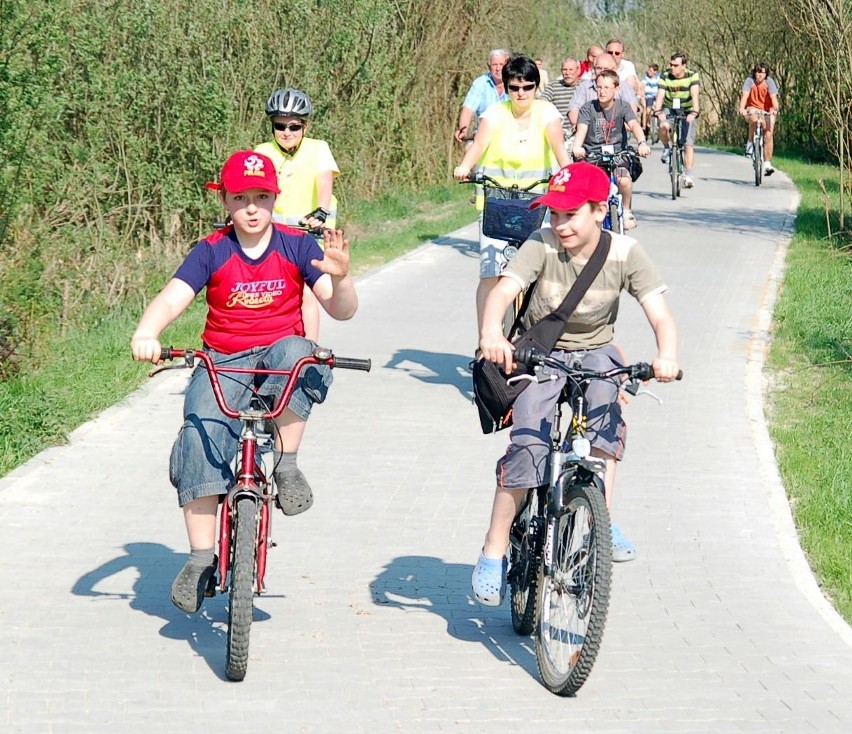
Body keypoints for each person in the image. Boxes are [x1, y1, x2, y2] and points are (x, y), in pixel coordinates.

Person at [130, 150, 358, 614]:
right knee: (198, 436)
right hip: (224, 360)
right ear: (226, 202)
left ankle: (288, 465)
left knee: (303, 353)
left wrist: (343, 278)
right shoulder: (212, 249)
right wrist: (147, 332)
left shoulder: (297, 245)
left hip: (278, 356)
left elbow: (341, 310)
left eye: (261, 197)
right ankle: (199, 560)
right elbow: (174, 296)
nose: (251, 208)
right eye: (240, 198)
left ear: (275, 198)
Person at [471, 161, 680, 604]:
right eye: (554, 213)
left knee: (606, 422)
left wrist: (667, 357)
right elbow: (504, 291)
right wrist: (491, 333)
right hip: (540, 352)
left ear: (599, 211)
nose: (559, 223)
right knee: (528, 445)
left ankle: (600, 517)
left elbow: (660, 314)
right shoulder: (540, 244)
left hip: (597, 350)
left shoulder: (626, 252)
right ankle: (493, 549)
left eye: (571, 214)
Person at [453, 55, 570, 330]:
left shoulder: (547, 113)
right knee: (490, 274)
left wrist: (570, 175)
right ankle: (486, 338)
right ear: (505, 87)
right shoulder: (494, 113)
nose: (521, 93)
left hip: (537, 203)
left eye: (527, 87)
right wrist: (465, 166)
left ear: (535, 87)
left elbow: (559, 148)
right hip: (497, 203)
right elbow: (480, 143)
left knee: (543, 271)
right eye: (514, 87)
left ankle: (539, 333)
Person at [255, 88, 340, 341]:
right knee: (266, 292)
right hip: (273, 236)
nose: (287, 133)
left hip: (309, 234)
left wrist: (322, 210)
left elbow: (324, 179)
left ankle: (310, 349)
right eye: (280, 126)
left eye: (294, 126)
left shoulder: (318, 149)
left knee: (306, 293)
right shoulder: (261, 151)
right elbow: (252, 187)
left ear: (305, 126)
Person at [573, 70, 651, 230]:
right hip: (593, 153)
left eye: (607, 87)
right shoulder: (588, 108)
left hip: (617, 153)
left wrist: (642, 142)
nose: (602, 91)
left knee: (624, 179)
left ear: (616, 89)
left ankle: (627, 210)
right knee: (588, 187)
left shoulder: (623, 106)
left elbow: (634, 125)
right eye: (599, 87)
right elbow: (582, 128)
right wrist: (577, 146)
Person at [654, 51, 701, 188]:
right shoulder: (665, 75)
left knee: (688, 143)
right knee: (663, 126)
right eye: (671, 64)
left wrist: (695, 111)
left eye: (676, 65)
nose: (672, 67)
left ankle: (688, 175)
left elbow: (695, 94)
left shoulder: (692, 75)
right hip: (670, 107)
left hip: (687, 109)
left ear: (683, 66)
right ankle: (667, 148)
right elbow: (660, 95)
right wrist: (658, 111)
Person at [454, 49, 511, 147]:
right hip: (484, 134)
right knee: (469, 149)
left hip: (511, 134)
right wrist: (463, 129)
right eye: (494, 65)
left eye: (501, 64)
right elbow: (468, 109)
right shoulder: (480, 83)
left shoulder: (516, 82)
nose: (498, 68)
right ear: (489, 67)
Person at [568, 52, 639, 130]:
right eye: (599, 68)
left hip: (617, 136)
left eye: (606, 68)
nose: (602, 71)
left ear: (615, 70)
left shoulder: (624, 87)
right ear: (594, 69)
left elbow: (632, 116)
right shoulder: (584, 87)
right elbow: (574, 113)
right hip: (589, 135)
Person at [738, 61, 780, 176]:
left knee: (768, 133)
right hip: (753, 108)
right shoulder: (749, 81)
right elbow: (745, 95)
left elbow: (773, 98)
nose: (759, 75)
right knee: (753, 119)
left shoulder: (769, 82)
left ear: (766, 74)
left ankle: (767, 163)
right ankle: (750, 144)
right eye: (757, 72)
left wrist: (775, 109)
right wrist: (742, 108)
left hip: (767, 109)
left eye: (762, 73)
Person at [540, 56, 581, 158]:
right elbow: (541, 103)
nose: (567, 73)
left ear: (578, 70)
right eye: (564, 70)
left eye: (571, 69)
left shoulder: (585, 86)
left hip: (580, 133)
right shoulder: (553, 86)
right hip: (558, 133)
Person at [640, 64, 661, 133]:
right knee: (648, 110)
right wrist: (642, 95)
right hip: (649, 96)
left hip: (658, 96)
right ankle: (647, 124)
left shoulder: (659, 78)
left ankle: (660, 125)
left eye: (650, 70)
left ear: (655, 72)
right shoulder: (646, 78)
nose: (648, 72)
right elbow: (642, 86)